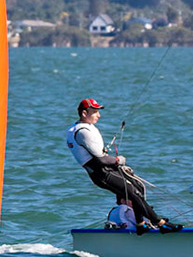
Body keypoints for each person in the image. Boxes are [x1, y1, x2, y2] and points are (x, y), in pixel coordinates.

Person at [67, 99, 178, 233]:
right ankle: (160, 223)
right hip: (102, 173)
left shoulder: (78, 128)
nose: (99, 115)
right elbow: (101, 160)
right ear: (84, 113)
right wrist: (117, 161)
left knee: (138, 187)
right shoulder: (83, 132)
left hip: (105, 170)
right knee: (133, 192)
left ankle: (140, 224)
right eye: (95, 112)